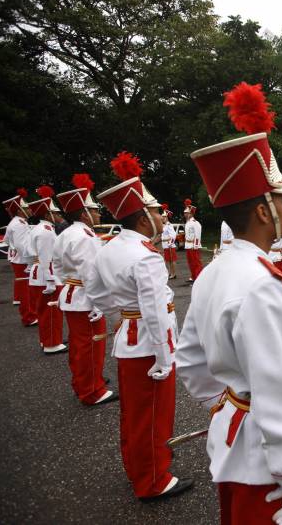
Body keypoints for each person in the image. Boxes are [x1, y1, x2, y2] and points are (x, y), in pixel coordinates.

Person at [178, 81, 282, 525]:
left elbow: (190, 360)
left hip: (232, 439)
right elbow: (276, 397)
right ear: (262, 211)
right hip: (265, 465)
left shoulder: (215, 270)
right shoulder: (260, 284)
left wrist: (224, 404)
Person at [86, 151, 192, 501]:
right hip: (149, 346)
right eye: (158, 210)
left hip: (129, 339)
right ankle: (153, 480)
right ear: (144, 218)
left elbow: (96, 293)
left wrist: (122, 318)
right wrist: (166, 356)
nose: (163, 215)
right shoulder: (145, 256)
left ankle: (138, 465)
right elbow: (157, 311)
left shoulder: (108, 248)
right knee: (152, 416)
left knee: (134, 413)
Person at [53, 173, 116, 406]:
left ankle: (86, 381)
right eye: (94, 209)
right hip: (85, 299)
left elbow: (57, 266)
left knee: (80, 345)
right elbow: (92, 276)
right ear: (84, 214)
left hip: (73, 294)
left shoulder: (66, 233)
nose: (98, 213)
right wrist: (104, 305)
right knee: (90, 346)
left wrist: (68, 283)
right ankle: (91, 390)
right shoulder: (84, 237)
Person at [26, 186, 67, 354]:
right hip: (46, 275)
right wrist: (51, 280)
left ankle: (47, 339)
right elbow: (46, 258)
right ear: (47, 214)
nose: (57, 216)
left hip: (40, 273)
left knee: (44, 311)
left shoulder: (39, 228)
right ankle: (52, 343)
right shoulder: (46, 232)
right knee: (50, 311)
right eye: (54, 213)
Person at [3, 189, 38, 326]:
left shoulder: (16, 223)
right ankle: (29, 316)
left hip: (19, 260)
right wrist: (32, 260)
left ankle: (30, 315)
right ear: (19, 211)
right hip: (23, 261)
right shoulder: (19, 224)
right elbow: (21, 245)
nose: (30, 210)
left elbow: (7, 240)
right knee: (26, 291)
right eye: (26, 208)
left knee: (26, 289)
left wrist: (14, 251)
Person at [183, 199, 203, 282]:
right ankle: (194, 276)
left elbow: (198, 235)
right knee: (191, 263)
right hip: (188, 245)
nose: (185, 214)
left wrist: (195, 246)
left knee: (196, 263)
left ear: (191, 213)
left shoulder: (195, 223)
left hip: (193, 246)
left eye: (186, 213)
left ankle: (198, 278)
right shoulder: (188, 222)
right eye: (185, 213)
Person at [161, 205, 178, 279]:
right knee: (167, 260)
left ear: (167, 217)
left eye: (164, 217)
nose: (162, 218)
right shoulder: (164, 225)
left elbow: (173, 235)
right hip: (165, 245)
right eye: (162, 217)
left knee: (172, 260)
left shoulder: (169, 225)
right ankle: (170, 273)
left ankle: (173, 274)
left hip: (169, 245)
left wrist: (170, 243)